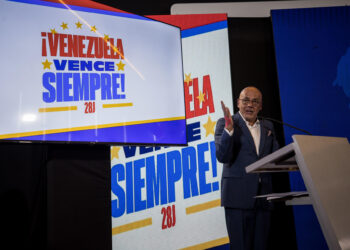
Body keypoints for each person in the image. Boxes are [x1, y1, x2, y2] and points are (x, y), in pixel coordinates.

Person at [215, 86, 279, 250]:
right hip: (238, 199)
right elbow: (223, 157)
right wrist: (229, 131)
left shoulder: (268, 126)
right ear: (238, 103)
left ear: (260, 106)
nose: (250, 105)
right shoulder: (226, 123)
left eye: (255, 101)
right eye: (246, 100)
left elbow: (278, 157)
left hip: (264, 199)